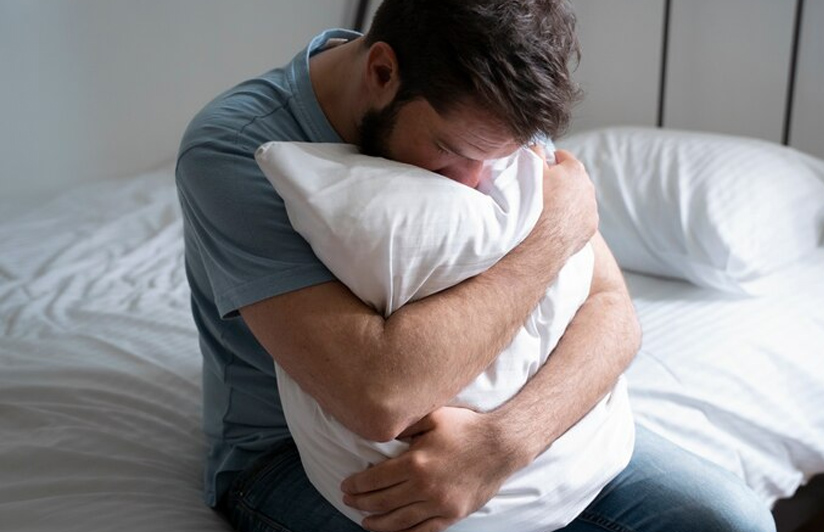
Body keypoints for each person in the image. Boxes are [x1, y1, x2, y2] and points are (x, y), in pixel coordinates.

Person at [175, 1, 777, 531]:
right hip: (288, 460)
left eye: (498, 160)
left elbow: (613, 310)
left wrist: (502, 444)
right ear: (382, 72)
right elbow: (381, 398)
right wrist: (555, 232)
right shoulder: (232, 150)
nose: (473, 182)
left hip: (508, 437)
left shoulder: (496, 104)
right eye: (450, 151)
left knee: (733, 520)